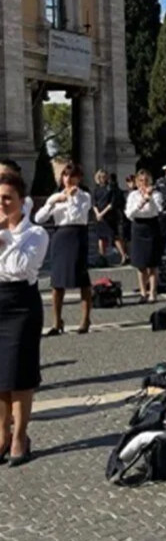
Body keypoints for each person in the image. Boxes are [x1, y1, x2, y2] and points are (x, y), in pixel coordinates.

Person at [0, 172, 48, 467]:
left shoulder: (36, 234)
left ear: (21, 201)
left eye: (7, 198)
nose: (2, 204)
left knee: (19, 376)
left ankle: (20, 435)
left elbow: (20, 268)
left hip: (21, 307)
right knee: (0, 378)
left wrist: (5, 235)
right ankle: (1, 433)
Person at [35, 162, 93, 335]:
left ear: (78, 178)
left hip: (77, 234)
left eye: (72, 176)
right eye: (65, 176)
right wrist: (54, 201)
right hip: (60, 235)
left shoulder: (84, 196)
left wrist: (71, 198)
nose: (68, 179)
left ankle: (85, 319)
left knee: (82, 278)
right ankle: (57, 321)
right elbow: (39, 218)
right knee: (57, 281)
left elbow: (78, 214)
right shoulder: (56, 196)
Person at [126, 170, 165, 303]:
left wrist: (150, 199)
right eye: (141, 181)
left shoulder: (157, 194)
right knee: (140, 263)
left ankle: (153, 292)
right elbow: (129, 214)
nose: (144, 184)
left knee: (152, 263)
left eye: (146, 181)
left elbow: (158, 210)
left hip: (152, 226)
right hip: (138, 227)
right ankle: (143, 292)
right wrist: (141, 202)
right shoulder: (133, 195)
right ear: (137, 182)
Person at [93, 170, 127, 265]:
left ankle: (124, 255)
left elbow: (111, 204)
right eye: (101, 177)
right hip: (99, 217)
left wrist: (102, 214)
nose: (103, 179)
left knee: (114, 236)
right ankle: (102, 258)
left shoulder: (111, 188)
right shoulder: (96, 190)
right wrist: (97, 214)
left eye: (104, 176)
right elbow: (94, 203)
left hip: (109, 216)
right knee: (101, 237)